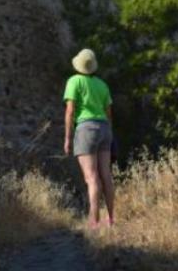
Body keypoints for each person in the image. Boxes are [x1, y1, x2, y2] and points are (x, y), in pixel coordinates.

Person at [63, 48, 115, 229]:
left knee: (92, 178)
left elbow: (70, 111)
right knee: (106, 175)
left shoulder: (74, 81)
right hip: (104, 129)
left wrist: (68, 138)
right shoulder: (102, 85)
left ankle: (94, 222)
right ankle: (111, 219)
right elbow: (109, 113)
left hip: (86, 129)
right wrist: (110, 134)